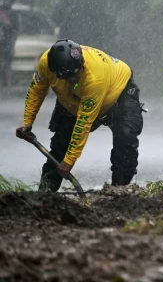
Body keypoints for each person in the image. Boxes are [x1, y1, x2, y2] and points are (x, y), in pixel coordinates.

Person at [15, 39, 144, 191]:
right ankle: (45, 193)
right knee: (60, 146)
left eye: (78, 72)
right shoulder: (46, 63)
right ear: (55, 72)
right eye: (70, 76)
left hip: (118, 92)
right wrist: (27, 122)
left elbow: (83, 123)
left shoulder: (95, 78)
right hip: (72, 100)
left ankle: (120, 191)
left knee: (125, 138)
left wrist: (69, 161)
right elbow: (37, 91)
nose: (75, 79)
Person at [0, 0, 19, 87]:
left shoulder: (13, 14)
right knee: (5, 63)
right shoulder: (2, 11)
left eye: (10, 0)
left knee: (7, 64)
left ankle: (8, 84)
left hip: (7, 42)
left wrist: (12, 44)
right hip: (4, 42)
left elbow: (15, 31)